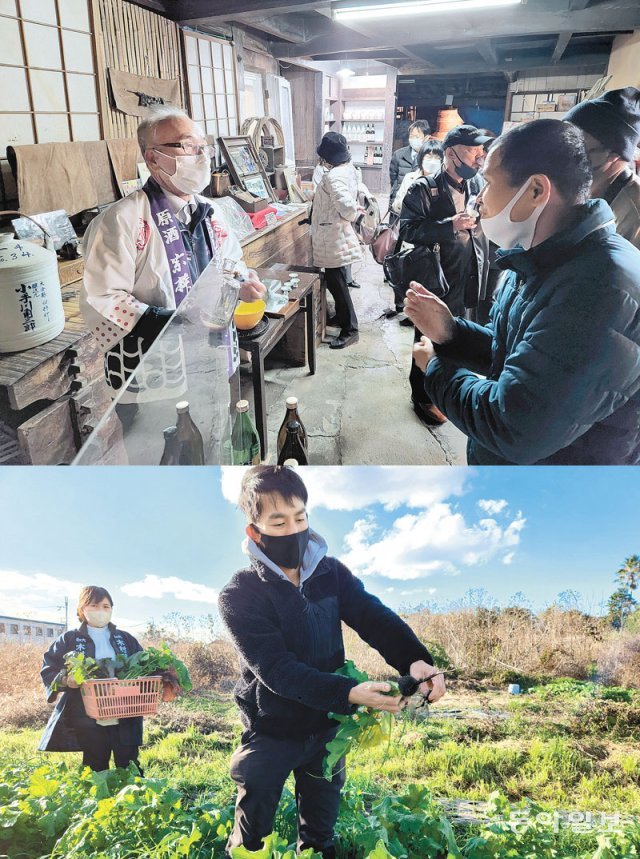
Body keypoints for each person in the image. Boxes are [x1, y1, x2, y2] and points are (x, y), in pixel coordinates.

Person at [219, 466, 446, 859]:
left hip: (327, 728)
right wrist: (350, 693)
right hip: (271, 729)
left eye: (300, 517)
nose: (293, 529)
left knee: (320, 834)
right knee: (253, 837)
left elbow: (374, 618)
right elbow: (275, 669)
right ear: (255, 532)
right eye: (278, 521)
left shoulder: (331, 573)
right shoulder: (240, 594)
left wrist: (416, 660)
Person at [405, 119, 640, 465]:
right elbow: (519, 354)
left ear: (535, 191)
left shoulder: (599, 288)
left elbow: (512, 425)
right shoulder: (541, 256)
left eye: (488, 183)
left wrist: (437, 369)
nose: (480, 199)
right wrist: (451, 333)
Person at [81, 106, 266, 402]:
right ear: (154, 157)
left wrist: (242, 284)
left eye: (202, 147)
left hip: (213, 358)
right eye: (188, 146)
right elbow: (101, 299)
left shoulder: (212, 211)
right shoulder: (122, 220)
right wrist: (172, 321)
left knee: (217, 438)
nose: (202, 156)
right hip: (154, 376)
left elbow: (232, 265)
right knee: (163, 447)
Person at [399, 125, 491, 426]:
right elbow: (408, 230)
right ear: (451, 154)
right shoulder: (423, 188)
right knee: (428, 332)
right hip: (438, 276)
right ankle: (421, 396)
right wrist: (449, 224)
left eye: (480, 151)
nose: (478, 158)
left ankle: (444, 388)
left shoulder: (476, 184)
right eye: (471, 151)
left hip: (470, 271)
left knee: (457, 335)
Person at [38, 586, 144, 772]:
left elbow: (144, 666)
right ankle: (98, 799)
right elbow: (49, 668)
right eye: (94, 605)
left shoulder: (125, 639)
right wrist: (65, 679)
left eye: (106, 606)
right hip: (87, 714)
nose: (101, 611)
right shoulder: (70, 639)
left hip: (126, 710)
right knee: (95, 764)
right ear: (82, 609)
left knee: (130, 765)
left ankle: (133, 798)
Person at [565, 87, 640, 249]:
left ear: (613, 154)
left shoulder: (635, 214)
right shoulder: (579, 186)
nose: (564, 152)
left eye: (577, 145)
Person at [311, 132, 362, 349]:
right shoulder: (347, 169)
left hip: (334, 236)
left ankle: (350, 328)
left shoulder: (334, 176)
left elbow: (347, 207)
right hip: (334, 234)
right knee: (335, 280)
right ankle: (342, 318)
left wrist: (350, 215)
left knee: (338, 283)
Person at [313, 157, 361, 290]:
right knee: (337, 277)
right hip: (334, 230)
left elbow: (345, 205)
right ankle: (342, 310)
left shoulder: (334, 175)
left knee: (336, 279)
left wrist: (352, 212)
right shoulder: (345, 170)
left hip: (332, 233)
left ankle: (345, 312)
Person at [389, 120, 430, 207]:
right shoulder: (398, 155)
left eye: (417, 137)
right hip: (399, 202)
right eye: (411, 136)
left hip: (419, 204)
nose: (413, 139)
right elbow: (393, 178)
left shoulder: (430, 158)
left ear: (426, 138)